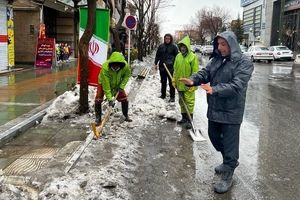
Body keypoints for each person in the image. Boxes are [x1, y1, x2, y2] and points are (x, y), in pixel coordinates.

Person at [180, 31, 254, 193]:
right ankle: (230, 160)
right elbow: (205, 73)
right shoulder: (216, 60)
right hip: (214, 108)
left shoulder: (244, 63)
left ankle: (228, 172)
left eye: (223, 44)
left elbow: (237, 85)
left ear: (232, 45)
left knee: (229, 143)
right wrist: (193, 80)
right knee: (214, 137)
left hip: (232, 111)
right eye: (218, 44)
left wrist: (214, 89)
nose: (220, 48)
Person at [94, 51, 132, 125]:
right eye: (113, 66)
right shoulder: (105, 69)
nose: (115, 68)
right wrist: (110, 100)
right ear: (111, 64)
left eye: (117, 67)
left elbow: (127, 76)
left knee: (124, 98)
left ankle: (125, 115)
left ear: (120, 65)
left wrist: (121, 86)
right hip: (103, 83)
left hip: (117, 84)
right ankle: (98, 118)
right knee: (98, 98)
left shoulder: (125, 66)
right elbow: (106, 87)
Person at [172, 35, 199, 129]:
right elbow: (175, 69)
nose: (182, 48)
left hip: (189, 85)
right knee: (181, 101)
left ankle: (189, 120)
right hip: (179, 84)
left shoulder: (193, 57)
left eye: (184, 47)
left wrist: (193, 84)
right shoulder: (178, 56)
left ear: (187, 47)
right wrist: (174, 80)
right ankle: (184, 118)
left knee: (189, 102)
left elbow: (195, 72)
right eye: (181, 47)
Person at [154, 33, 178, 102]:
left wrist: (175, 65)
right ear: (164, 39)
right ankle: (163, 95)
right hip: (162, 67)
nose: (167, 40)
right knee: (163, 82)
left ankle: (172, 97)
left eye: (169, 38)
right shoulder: (161, 46)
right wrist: (155, 63)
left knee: (171, 83)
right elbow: (157, 55)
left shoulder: (174, 47)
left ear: (171, 39)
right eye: (166, 38)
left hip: (171, 68)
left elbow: (177, 57)